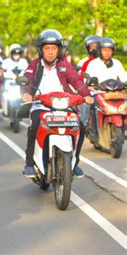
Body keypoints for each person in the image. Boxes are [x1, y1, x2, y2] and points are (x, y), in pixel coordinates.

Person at [21, 29, 93, 179]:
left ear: (59, 50)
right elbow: (26, 79)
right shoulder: (34, 65)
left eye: (54, 48)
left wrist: (86, 95)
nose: (50, 52)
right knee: (34, 125)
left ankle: (75, 163)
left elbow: (77, 81)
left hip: (64, 105)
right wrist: (27, 94)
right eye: (47, 48)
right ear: (41, 50)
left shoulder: (65, 65)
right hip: (40, 105)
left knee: (81, 125)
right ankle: (29, 163)